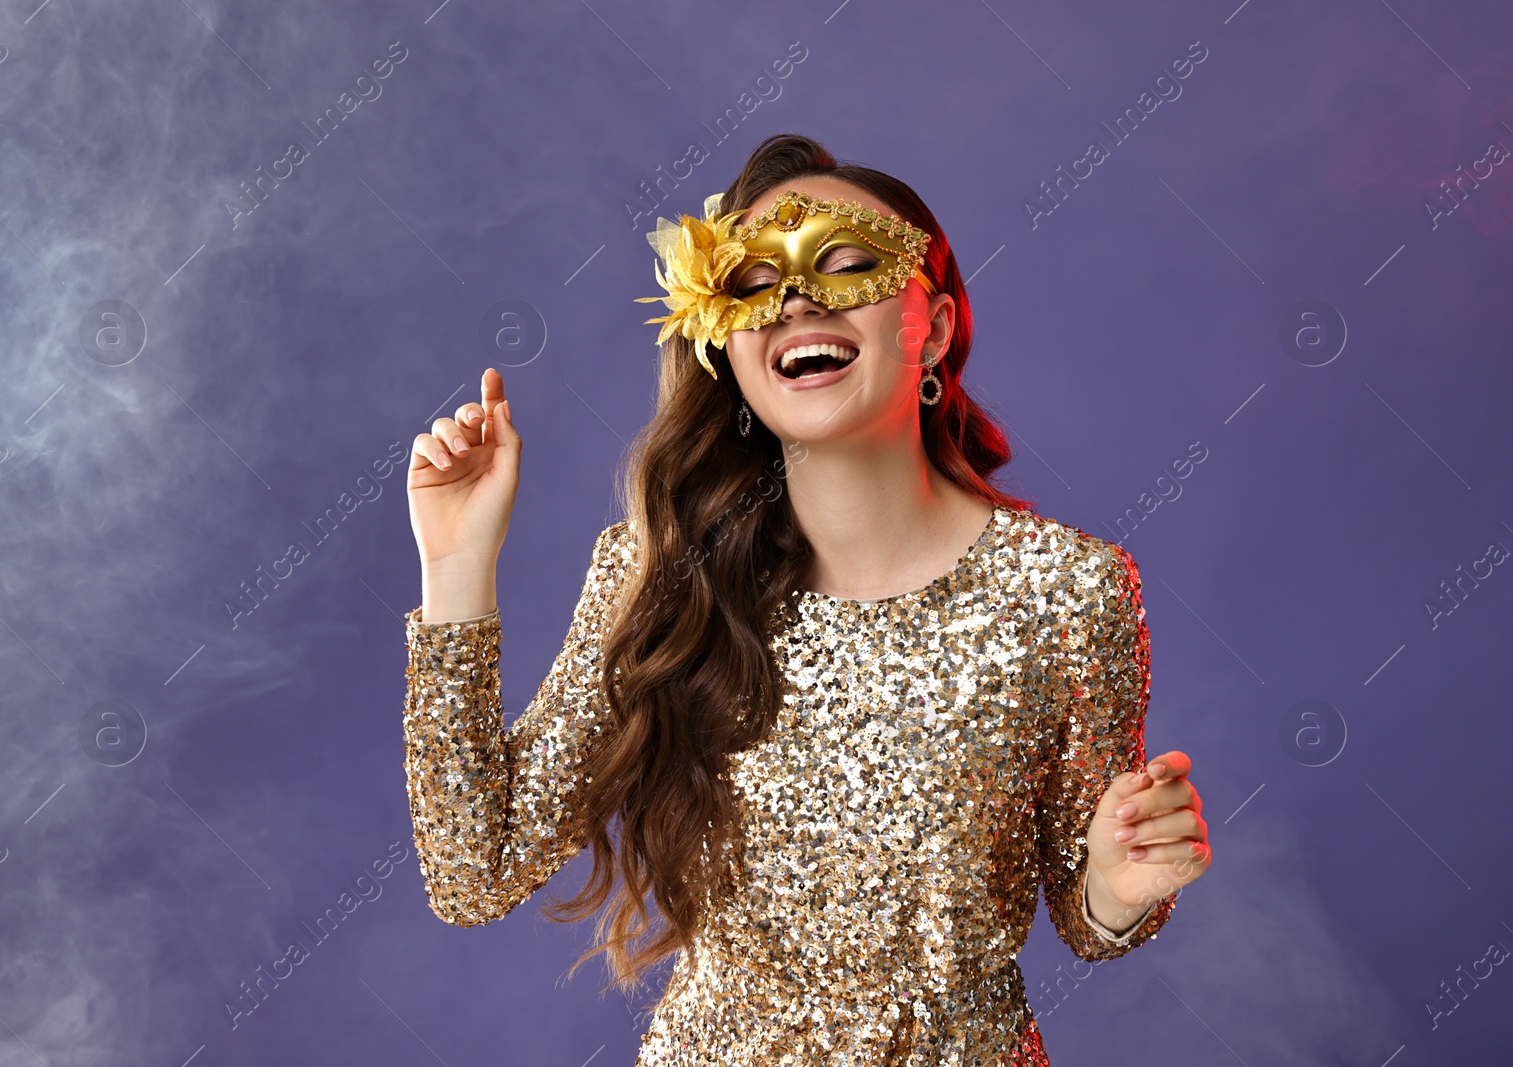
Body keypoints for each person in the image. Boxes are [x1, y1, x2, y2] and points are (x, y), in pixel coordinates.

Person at [401, 132, 1212, 1064]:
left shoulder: (1070, 590)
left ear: (935, 328)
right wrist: (458, 567)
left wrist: (1115, 885)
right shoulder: (664, 571)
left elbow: (1088, 909)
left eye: (846, 266)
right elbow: (475, 869)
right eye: (752, 281)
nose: (793, 298)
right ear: (729, 347)